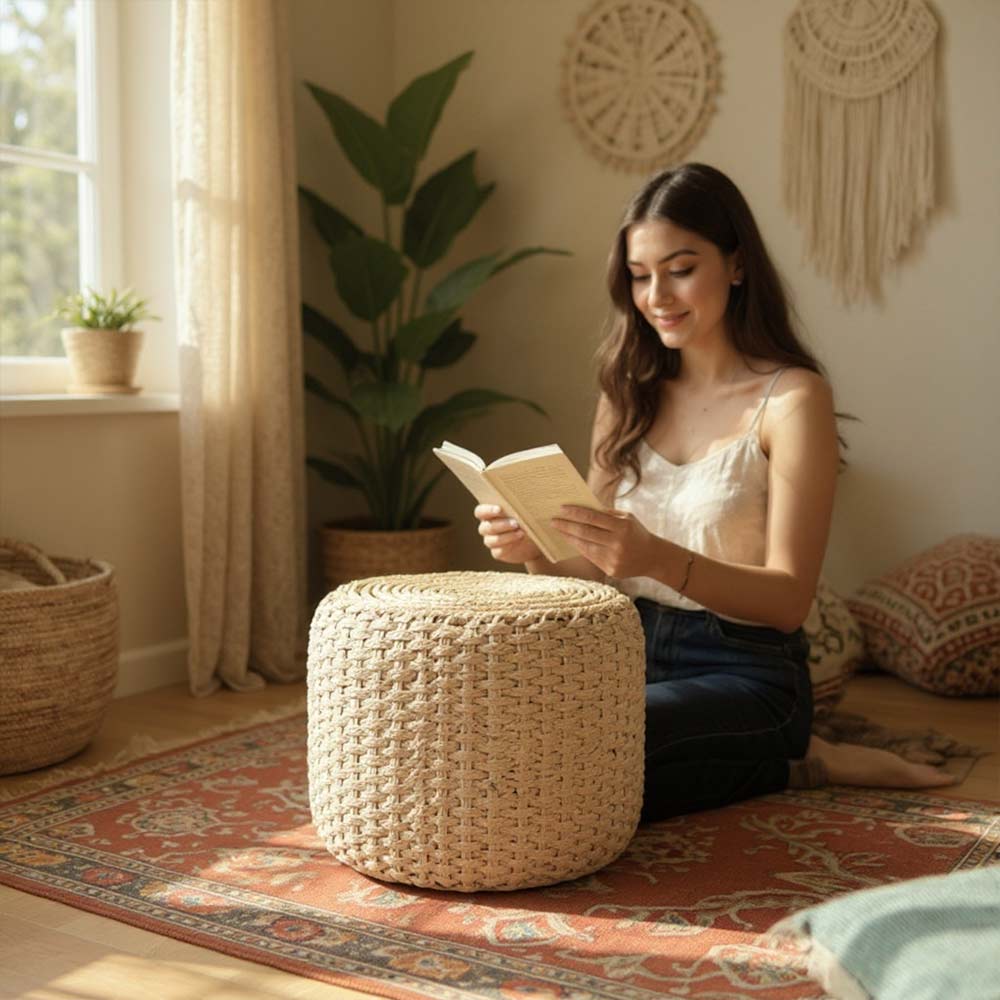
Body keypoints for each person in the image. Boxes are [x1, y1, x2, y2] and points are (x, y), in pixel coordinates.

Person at [474, 163, 957, 821]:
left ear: (735, 265)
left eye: (680, 269)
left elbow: (788, 598)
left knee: (577, 777)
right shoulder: (626, 395)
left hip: (749, 670)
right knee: (489, 731)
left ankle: (794, 759)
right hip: (625, 654)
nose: (657, 296)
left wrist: (654, 556)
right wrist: (533, 547)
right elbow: (591, 574)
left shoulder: (792, 400)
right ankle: (774, 763)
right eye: (640, 276)